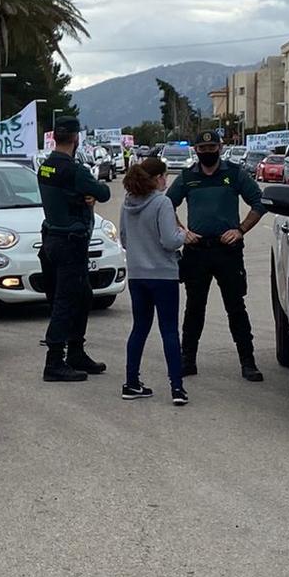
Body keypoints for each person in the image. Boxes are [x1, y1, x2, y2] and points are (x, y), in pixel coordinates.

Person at [168, 127, 266, 381]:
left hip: (227, 251)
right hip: (197, 251)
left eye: (212, 148)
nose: (207, 152)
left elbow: (259, 203)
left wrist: (241, 230)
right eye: (202, 149)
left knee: (236, 308)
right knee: (194, 309)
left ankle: (248, 362)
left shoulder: (234, 174)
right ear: (196, 151)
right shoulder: (188, 177)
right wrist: (182, 232)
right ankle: (187, 360)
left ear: (220, 148)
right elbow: (166, 205)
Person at [35, 114, 111, 383]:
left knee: (83, 296)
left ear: (55, 136)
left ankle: (76, 352)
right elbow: (104, 193)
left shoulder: (45, 167)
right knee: (66, 301)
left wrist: (79, 195)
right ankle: (55, 361)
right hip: (71, 243)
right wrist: (86, 195)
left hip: (53, 239)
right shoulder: (73, 170)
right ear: (76, 138)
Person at [119, 156, 188, 403]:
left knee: (139, 328)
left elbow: (124, 239)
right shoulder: (162, 203)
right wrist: (183, 234)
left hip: (138, 274)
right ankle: (177, 387)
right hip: (163, 274)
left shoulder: (127, 203)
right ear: (159, 178)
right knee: (169, 329)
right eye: (165, 176)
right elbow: (169, 240)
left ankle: (131, 382)